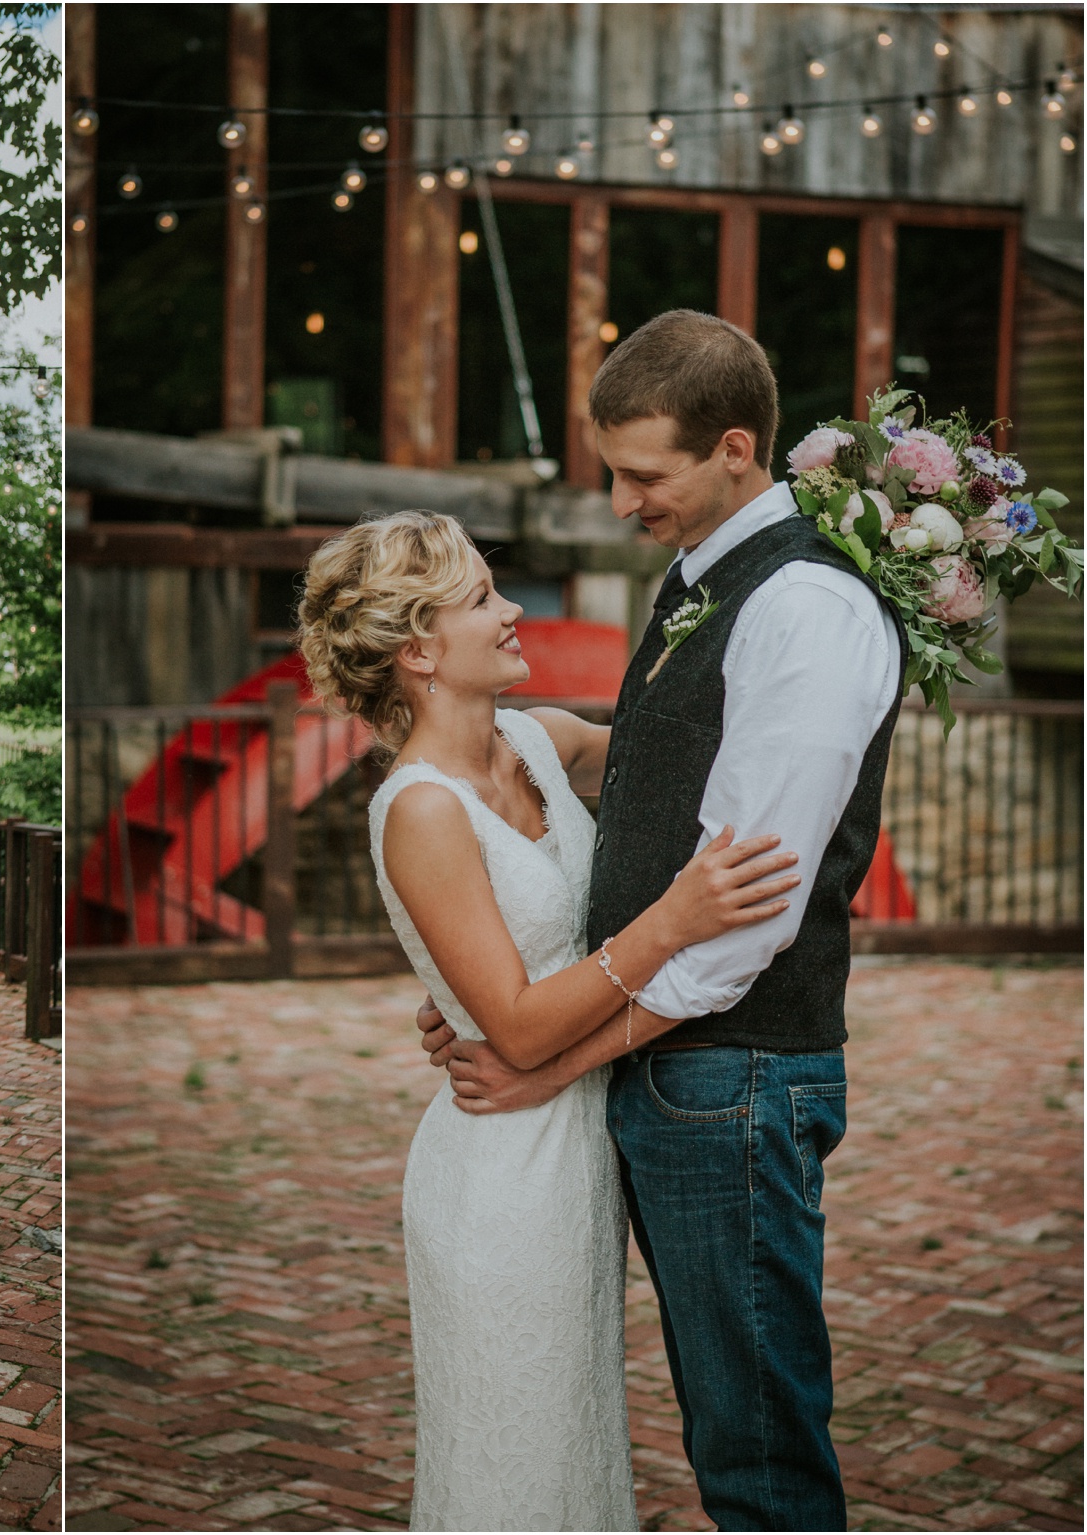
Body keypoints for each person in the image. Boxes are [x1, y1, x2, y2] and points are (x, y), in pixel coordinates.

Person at [417, 310, 908, 1530]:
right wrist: (497, 974)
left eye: (645, 475)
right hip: (674, 1070)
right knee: (716, 1420)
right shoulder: (705, 587)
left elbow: (745, 920)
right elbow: (637, 783)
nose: (623, 501)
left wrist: (547, 1055)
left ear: (735, 448)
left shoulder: (803, 608)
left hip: (729, 1080)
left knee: (754, 1445)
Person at [297, 509, 802, 1530]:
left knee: (572, 1444)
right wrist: (671, 921)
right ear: (419, 649)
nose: (512, 607)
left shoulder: (538, 739)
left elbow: (677, 759)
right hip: (498, 1172)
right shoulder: (420, 807)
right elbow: (519, 1031)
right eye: (482, 596)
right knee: (511, 1455)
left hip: (577, 1151)